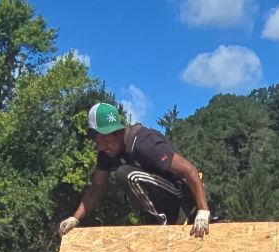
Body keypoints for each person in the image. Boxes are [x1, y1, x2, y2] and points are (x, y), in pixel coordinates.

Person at [59, 101, 211, 236]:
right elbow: (96, 189)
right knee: (126, 175)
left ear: (118, 132)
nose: (103, 146)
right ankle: (152, 220)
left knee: (125, 174)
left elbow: (189, 170)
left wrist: (202, 211)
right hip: (161, 199)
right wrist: (75, 218)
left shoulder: (144, 143)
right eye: (98, 141)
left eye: (106, 139)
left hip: (179, 196)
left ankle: (161, 221)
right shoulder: (106, 153)